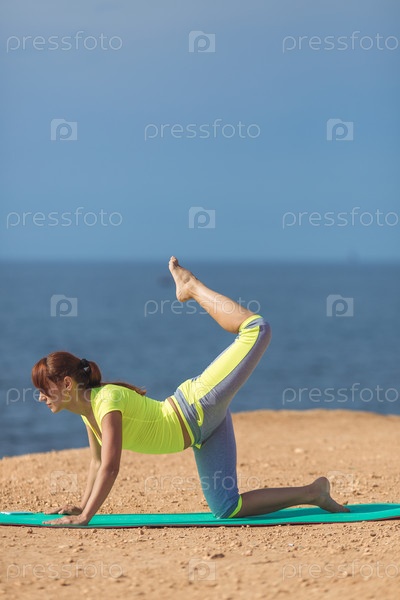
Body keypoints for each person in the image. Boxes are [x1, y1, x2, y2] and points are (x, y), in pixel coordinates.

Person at [32, 256, 349, 526]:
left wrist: (86, 517)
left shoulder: (107, 402)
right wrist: (81, 506)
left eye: (44, 388)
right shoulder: (87, 412)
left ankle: (192, 286)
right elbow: (96, 463)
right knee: (227, 508)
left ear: (67, 384)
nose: (41, 396)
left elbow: (111, 467)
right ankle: (314, 492)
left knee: (257, 330)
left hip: (198, 405)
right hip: (202, 432)